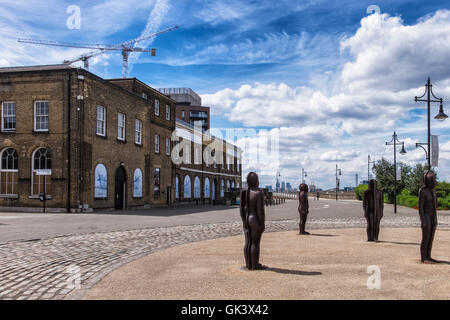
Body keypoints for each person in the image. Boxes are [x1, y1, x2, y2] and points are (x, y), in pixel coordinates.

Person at [239, 172, 266, 270]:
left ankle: (248, 264)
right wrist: (262, 224)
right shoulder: (259, 193)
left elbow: (241, 209)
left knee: (248, 242)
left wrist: (244, 220)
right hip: (255, 219)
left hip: (247, 218)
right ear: (256, 181)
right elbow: (260, 211)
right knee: (255, 242)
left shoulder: (244, 192)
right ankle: (254, 265)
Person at [418, 171, 438, 263]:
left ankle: (428, 255)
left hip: (433, 217)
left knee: (431, 237)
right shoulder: (423, 191)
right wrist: (423, 220)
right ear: (427, 181)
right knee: (426, 237)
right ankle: (424, 257)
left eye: (434, 180)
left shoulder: (433, 191)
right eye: (432, 180)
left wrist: (435, 219)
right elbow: (420, 207)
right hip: (426, 217)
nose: (434, 182)